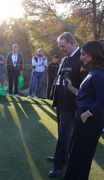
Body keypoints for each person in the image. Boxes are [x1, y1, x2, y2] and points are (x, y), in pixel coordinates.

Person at [63, 40, 104, 179]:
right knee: (76, 152)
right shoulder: (93, 71)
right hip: (84, 118)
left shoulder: (99, 74)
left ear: (94, 55)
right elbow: (84, 95)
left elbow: (102, 101)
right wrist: (71, 88)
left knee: (83, 155)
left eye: (84, 54)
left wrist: (87, 113)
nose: (81, 57)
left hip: (90, 121)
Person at [48, 32, 83, 177]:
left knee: (65, 135)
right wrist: (55, 100)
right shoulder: (65, 59)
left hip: (71, 105)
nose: (61, 48)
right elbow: (59, 79)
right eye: (59, 46)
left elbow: (85, 87)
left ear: (71, 43)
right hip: (61, 103)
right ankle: (60, 157)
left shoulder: (82, 58)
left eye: (63, 46)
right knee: (62, 134)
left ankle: (59, 165)